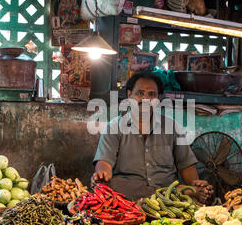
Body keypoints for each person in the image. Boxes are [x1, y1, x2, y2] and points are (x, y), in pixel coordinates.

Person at [91, 71, 214, 203]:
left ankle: (175, 192)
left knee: (189, 195)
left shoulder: (172, 127)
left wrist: (196, 186)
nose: (145, 99)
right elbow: (104, 162)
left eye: (151, 94)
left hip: (168, 195)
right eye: (140, 93)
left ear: (159, 99)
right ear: (129, 95)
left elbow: (186, 165)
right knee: (114, 186)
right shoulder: (114, 127)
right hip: (130, 193)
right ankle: (175, 192)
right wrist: (102, 173)